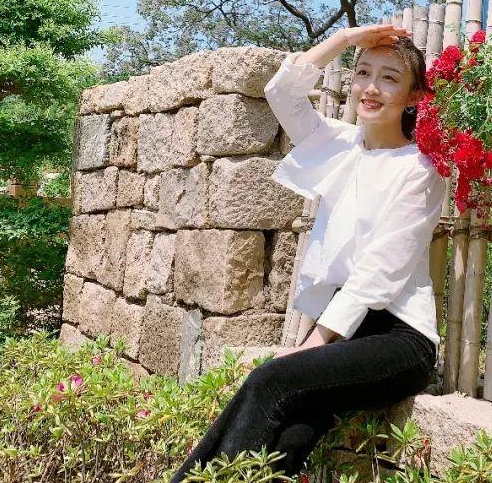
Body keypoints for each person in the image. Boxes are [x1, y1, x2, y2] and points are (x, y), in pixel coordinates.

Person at [169, 24, 445, 482]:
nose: (370, 88)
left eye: (389, 78)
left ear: (414, 96)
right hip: (345, 335)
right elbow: (282, 92)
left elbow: (379, 272)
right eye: (362, 73)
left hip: (399, 339)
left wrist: (312, 343)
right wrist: (346, 38)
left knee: (270, 379)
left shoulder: (420, 170)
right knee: (292, 434)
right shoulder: (337, 143)